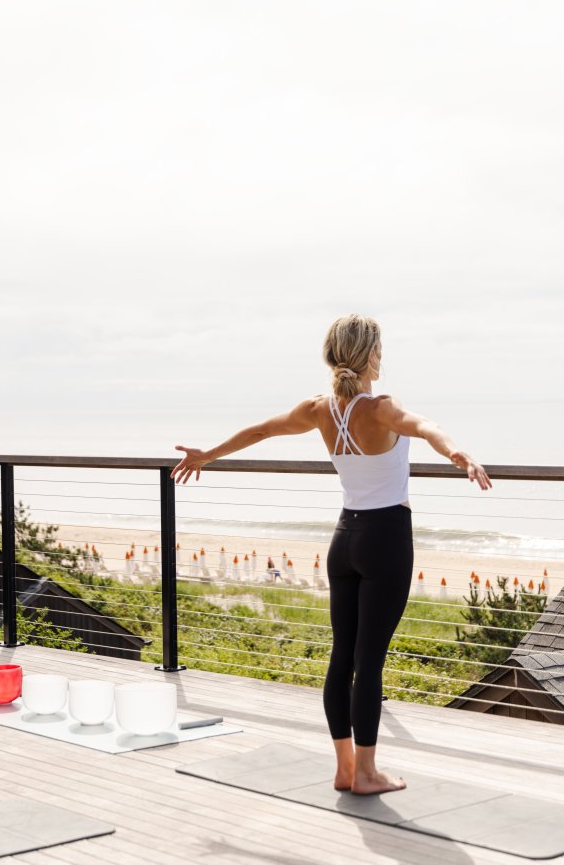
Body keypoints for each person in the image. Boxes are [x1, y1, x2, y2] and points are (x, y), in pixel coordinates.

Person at [170, 313, 492, 796]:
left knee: (342, 658)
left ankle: (345, 769)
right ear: (371, 357)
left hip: (344, 539)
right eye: (380, 350)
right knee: (370, 661)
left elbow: (261, 431)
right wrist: (459, 455)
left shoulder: (320, 409)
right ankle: (367, 773)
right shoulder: (380, 407)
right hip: (385, 539)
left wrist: (207, 454)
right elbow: (426, 426)